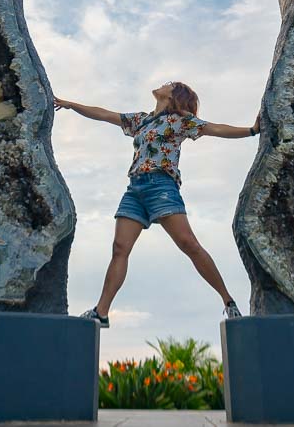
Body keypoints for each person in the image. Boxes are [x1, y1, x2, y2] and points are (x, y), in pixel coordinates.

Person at [54, 81, 259, 328]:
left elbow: (215, 128)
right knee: (120, 248)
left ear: (174, 96)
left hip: (161, 186)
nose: (164, 84)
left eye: (169, 84)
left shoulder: (180, 121)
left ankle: (228, 302)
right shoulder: (141, 120)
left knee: (189, 244)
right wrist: (71, 105)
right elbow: (105, 114)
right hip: (135, 189)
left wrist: (252, 130)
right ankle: (102, 312)